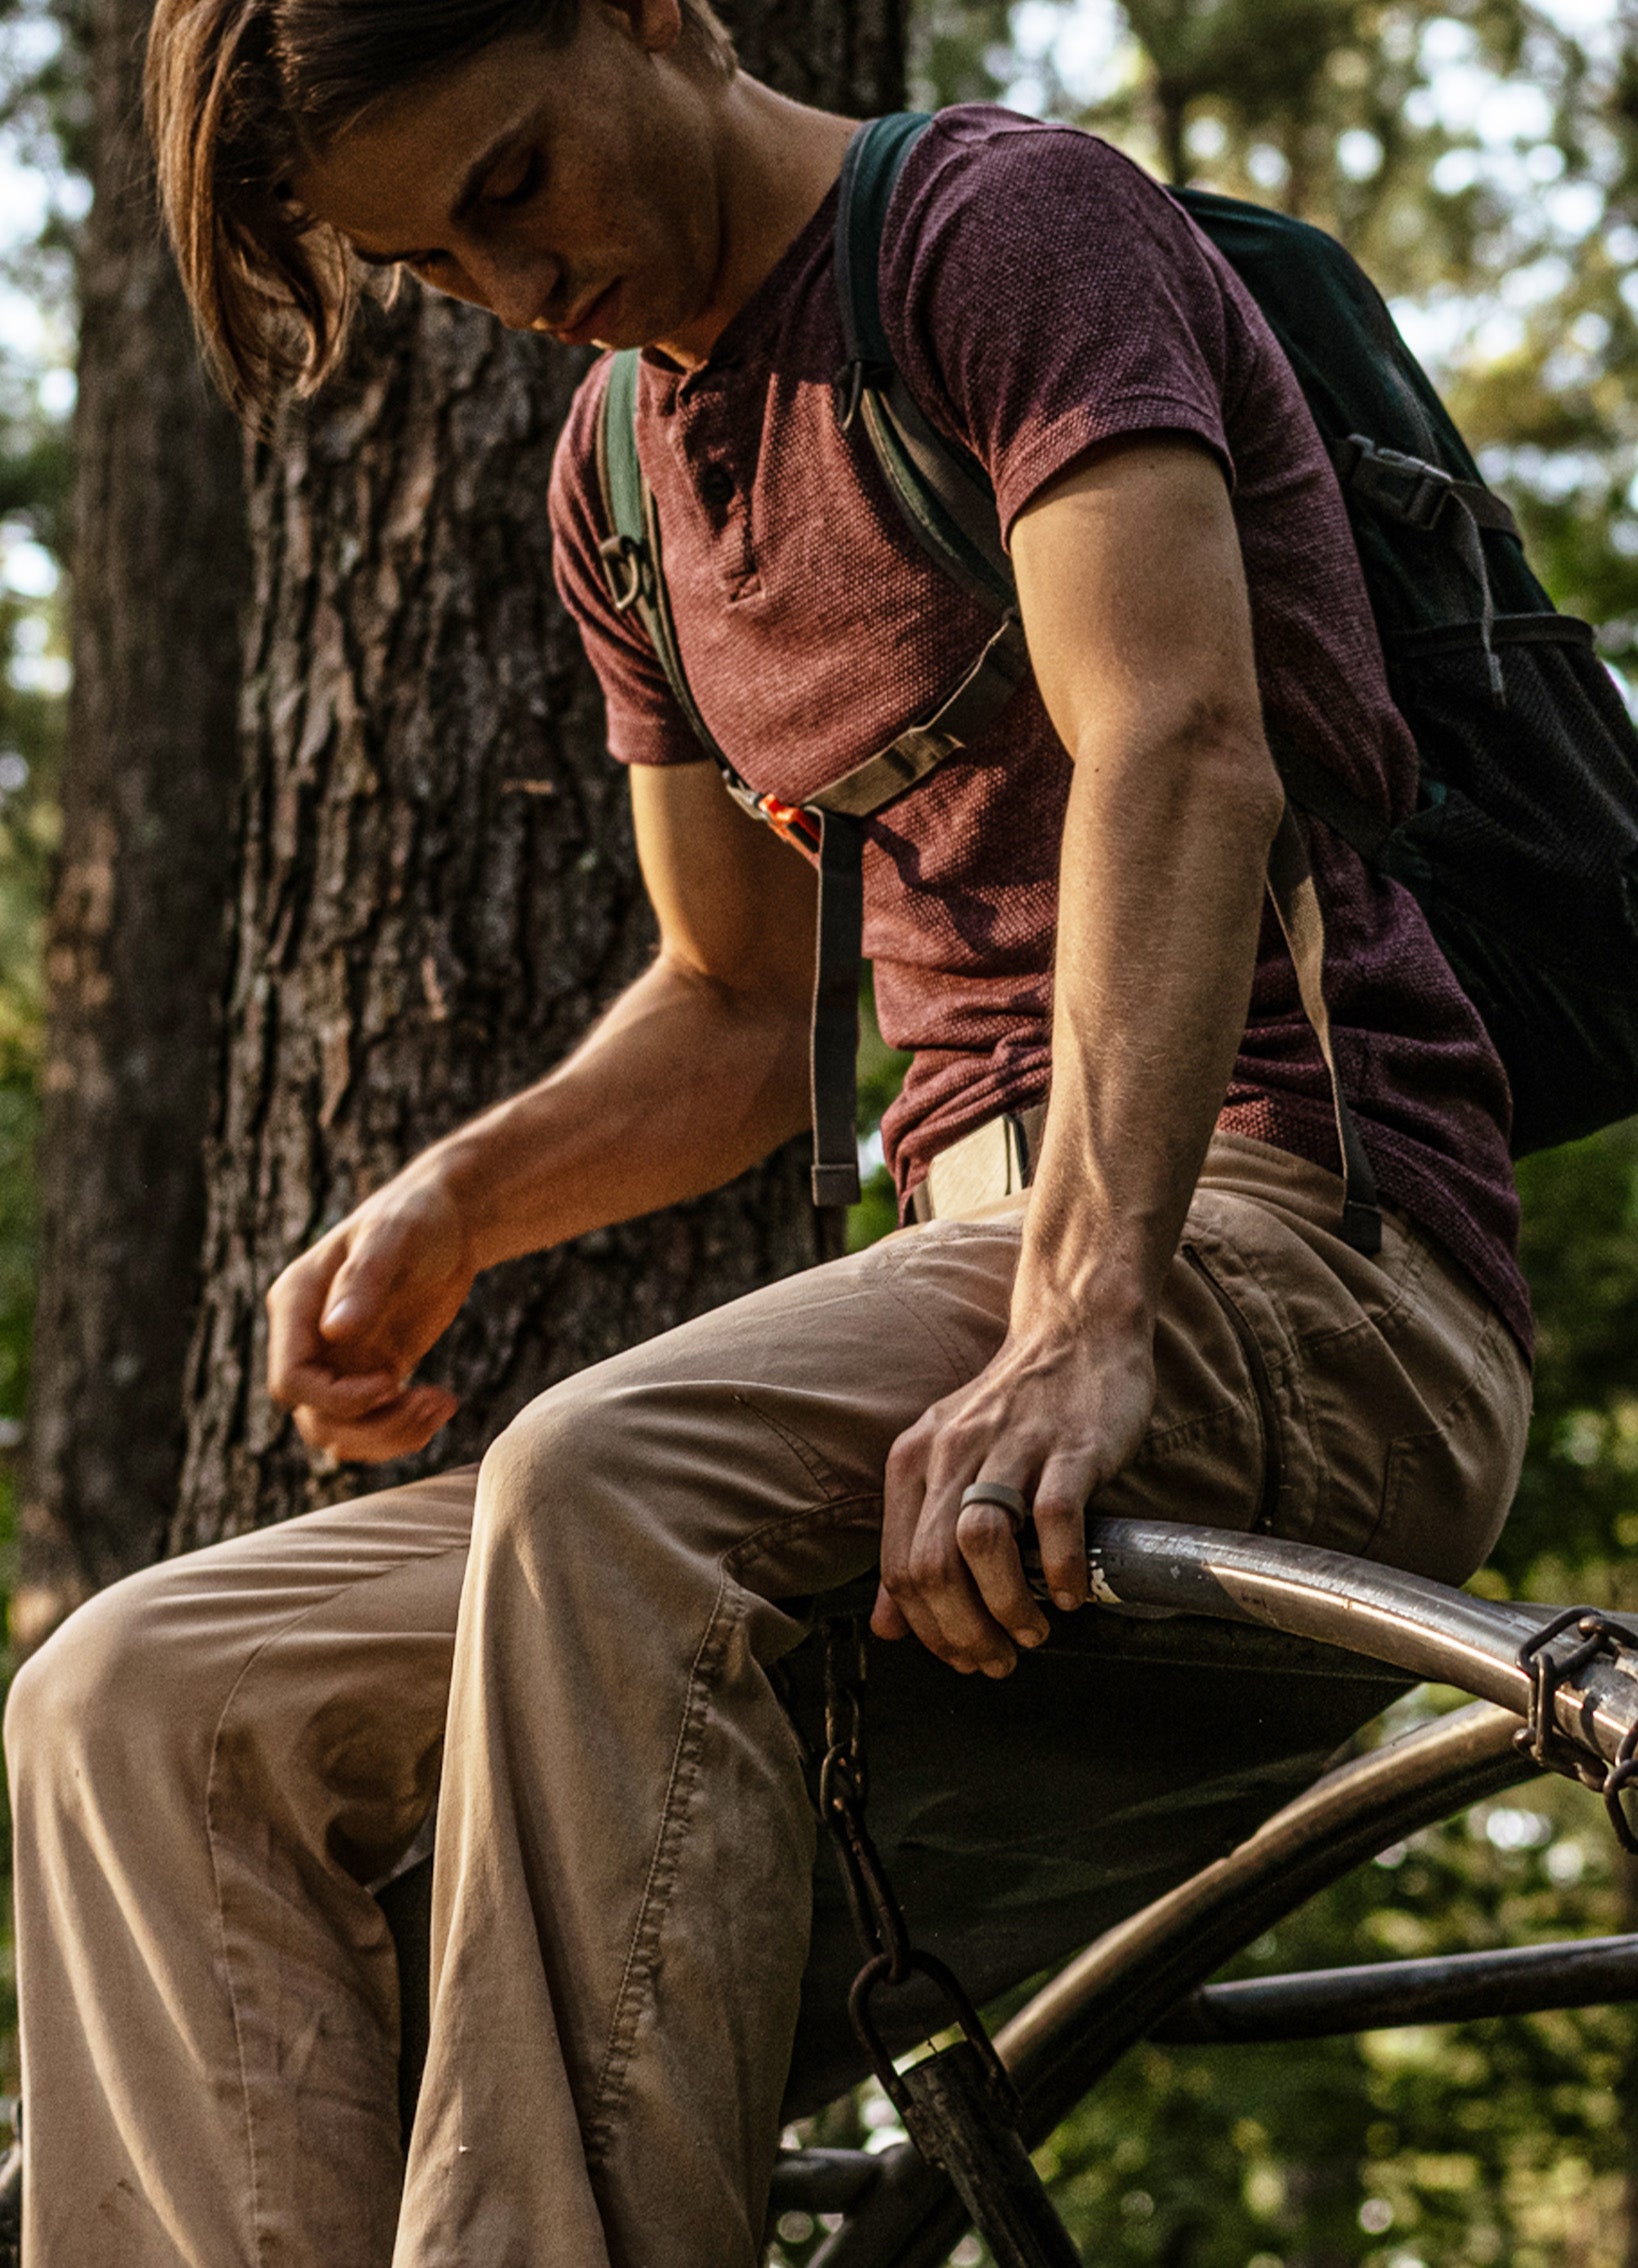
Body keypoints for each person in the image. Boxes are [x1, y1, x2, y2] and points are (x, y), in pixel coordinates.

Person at [5, 1, 1535, 2262]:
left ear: (647, 12)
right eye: (440, 269)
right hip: (968, 1313)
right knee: (135, 1695)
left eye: (514, 186)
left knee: (596, 1485)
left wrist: (1083, 1314)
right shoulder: (621, 473)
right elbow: (734, 1010)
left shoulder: (1001, 235)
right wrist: (459, 1198)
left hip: (1302, 1262)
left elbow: (1180, 743)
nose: (517, 290)